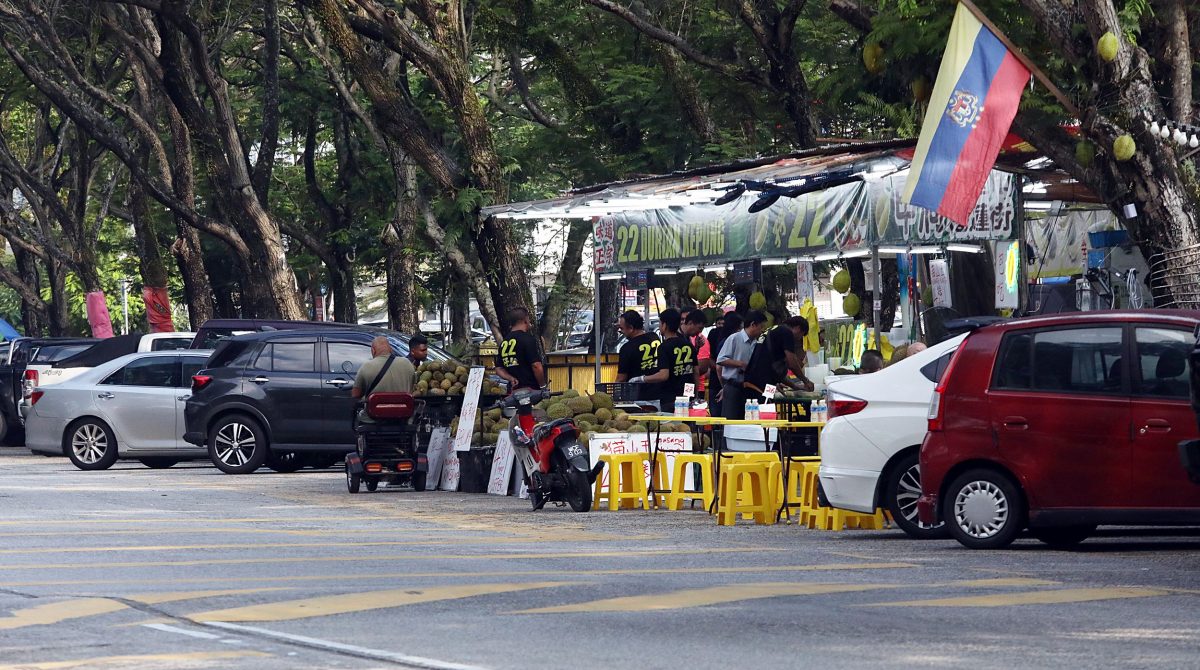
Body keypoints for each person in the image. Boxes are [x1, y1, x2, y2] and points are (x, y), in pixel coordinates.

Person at [629, 308, 697, 411]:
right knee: (686, 424)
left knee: (673, 426)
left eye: (660, 323)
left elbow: (663, 375)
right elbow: (696, 371)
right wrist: (694, 395)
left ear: (664, 325)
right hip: (688, 394)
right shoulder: (688, 345)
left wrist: (642, 378)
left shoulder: (664, 347)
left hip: (670, 398)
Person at [716, 310, 767, 420]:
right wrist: (740, 364)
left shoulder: (756, 343)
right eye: (761, 327)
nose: (762, 331)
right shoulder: (735, 338)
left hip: (749, 388)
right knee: (730, 420)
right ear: (753, 325)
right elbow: (720, 360)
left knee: (746, 420)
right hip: (733, 385)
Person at [352, 336, 416, 423]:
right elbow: (413, 388)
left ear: (373, 350)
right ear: (391, 349)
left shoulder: (366, 366)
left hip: (373, 419)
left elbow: (355, 394)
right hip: (403, 418)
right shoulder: (407, 363)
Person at [495, 307, 546, 392]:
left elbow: (499, 369)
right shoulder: (527, 339)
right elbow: (536, 366)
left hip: (513, 391)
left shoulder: (504, 342)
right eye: (528, 318)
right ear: (525, 320)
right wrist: (542, 386)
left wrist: (511, 378)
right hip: (531, 390)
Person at [615, 310, 659, 401]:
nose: (620, 331)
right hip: (659, 392)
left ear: (631, 328)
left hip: (638, 396)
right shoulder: (654, 337)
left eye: (622, 328)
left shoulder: (627, 348)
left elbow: (621, 378)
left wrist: (615, 396)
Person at [707, 312, 741, 407]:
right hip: (724, 385)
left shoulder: (726, 338)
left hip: (720, 384)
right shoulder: (730, 340)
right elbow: (718, 366)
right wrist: (725, 386)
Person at [783, 316, 816, 392]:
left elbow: (777, 368)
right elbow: (791, 363)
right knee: (766, 400)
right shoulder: (787, 333)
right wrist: (806, 381)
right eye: (802, 334)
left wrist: (794, 386)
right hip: (763, 381)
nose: (799, 338)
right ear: (798, 328)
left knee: (767, 400)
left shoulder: (776, 330)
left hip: (763, 379)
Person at [683, 309, 710, 399]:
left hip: (689, 383)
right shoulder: (678, 338)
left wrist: (697, 348)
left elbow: (692, 360)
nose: (699, 332)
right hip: (678, 386)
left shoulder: (689, 339)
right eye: (699, 328)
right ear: (690, 323)